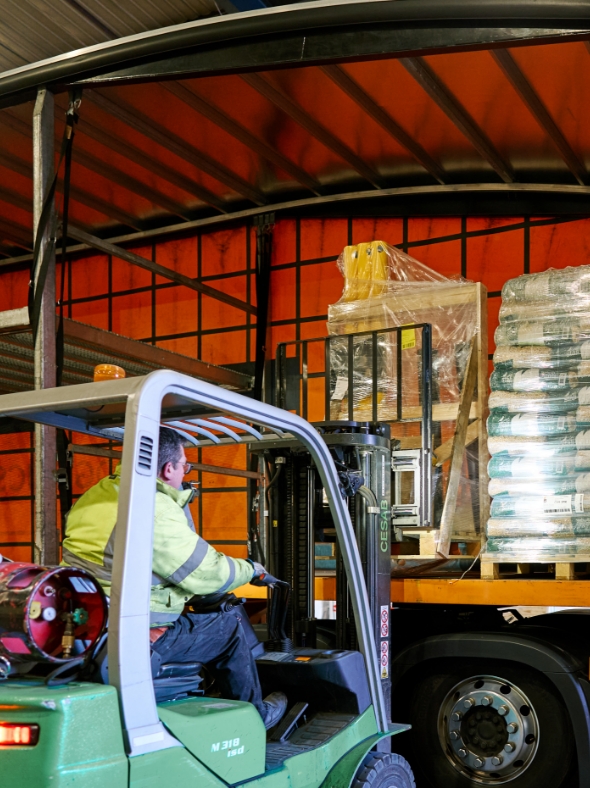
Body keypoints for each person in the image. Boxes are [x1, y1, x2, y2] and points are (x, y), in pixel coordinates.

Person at [62, 426, 287, 729]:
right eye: (185, 465)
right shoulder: (153, 506)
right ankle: (256, 719)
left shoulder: (98, 493)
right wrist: (252, 569)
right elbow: (206, 573)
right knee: (226, 627)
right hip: (134, 634)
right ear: (168, 468)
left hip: (91, 624)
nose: (185, 472)